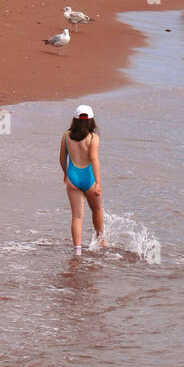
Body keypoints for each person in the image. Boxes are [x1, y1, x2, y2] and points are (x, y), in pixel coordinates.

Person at [59, 105, 103, 256]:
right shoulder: (93, 138)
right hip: (89, 178)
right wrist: (98, 183)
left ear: (75, 120)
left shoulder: (66, 135)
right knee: (96, 210)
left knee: (77, 216)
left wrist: (66, 174)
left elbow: (62, 157)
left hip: (73, 178)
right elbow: (94, 159)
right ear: (91, 121)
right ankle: (100, 240)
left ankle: (77, 251)